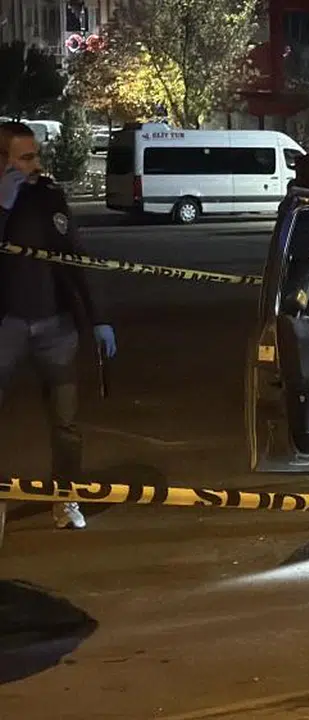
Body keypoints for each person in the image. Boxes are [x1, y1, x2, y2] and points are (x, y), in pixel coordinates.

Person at [0, 121, 117, 530]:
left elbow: (75, 254)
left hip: (56, 327)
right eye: (25, 158)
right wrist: (2, 207)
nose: (35, 164)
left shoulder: (48, 194)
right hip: (6, 327)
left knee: (66, 422)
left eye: (36, 155)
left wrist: (98, 317)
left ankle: (64, 497)